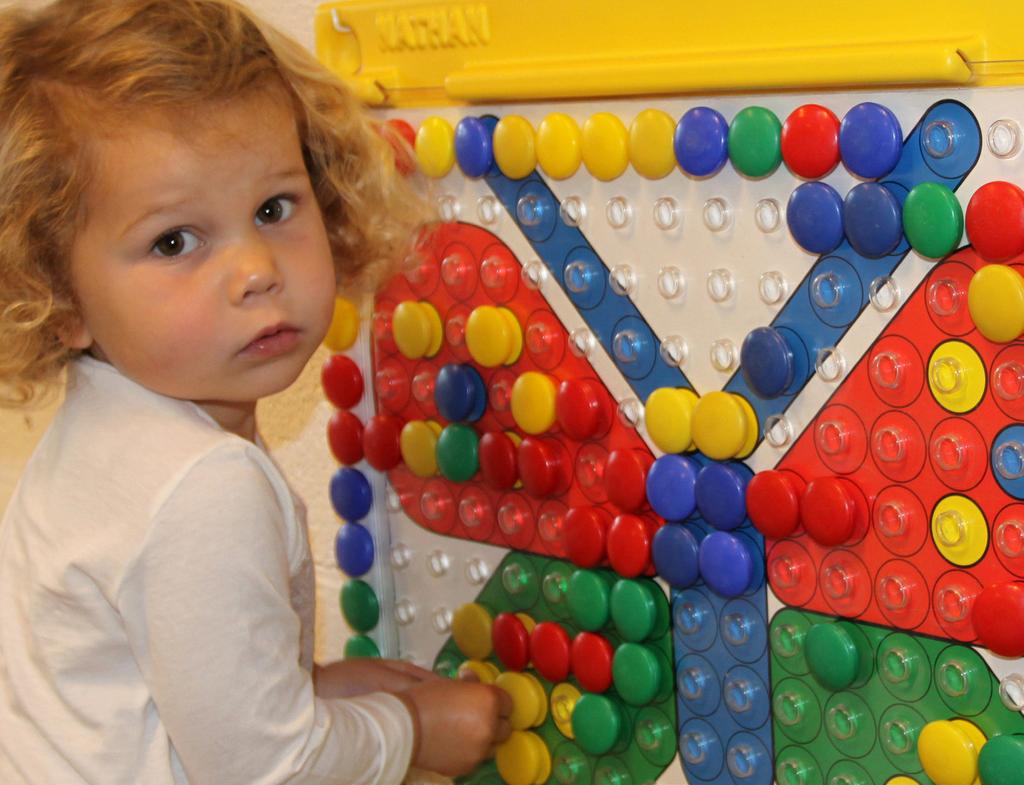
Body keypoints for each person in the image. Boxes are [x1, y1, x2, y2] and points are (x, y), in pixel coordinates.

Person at [0, 1, 512, 784]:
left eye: (274, 208)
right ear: (57, 296)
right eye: (174, 241)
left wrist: (302, 694)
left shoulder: (103, 435)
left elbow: (148, 687)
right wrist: (409, 729)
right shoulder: (201, 485)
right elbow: (269, 771)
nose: (256, 269)